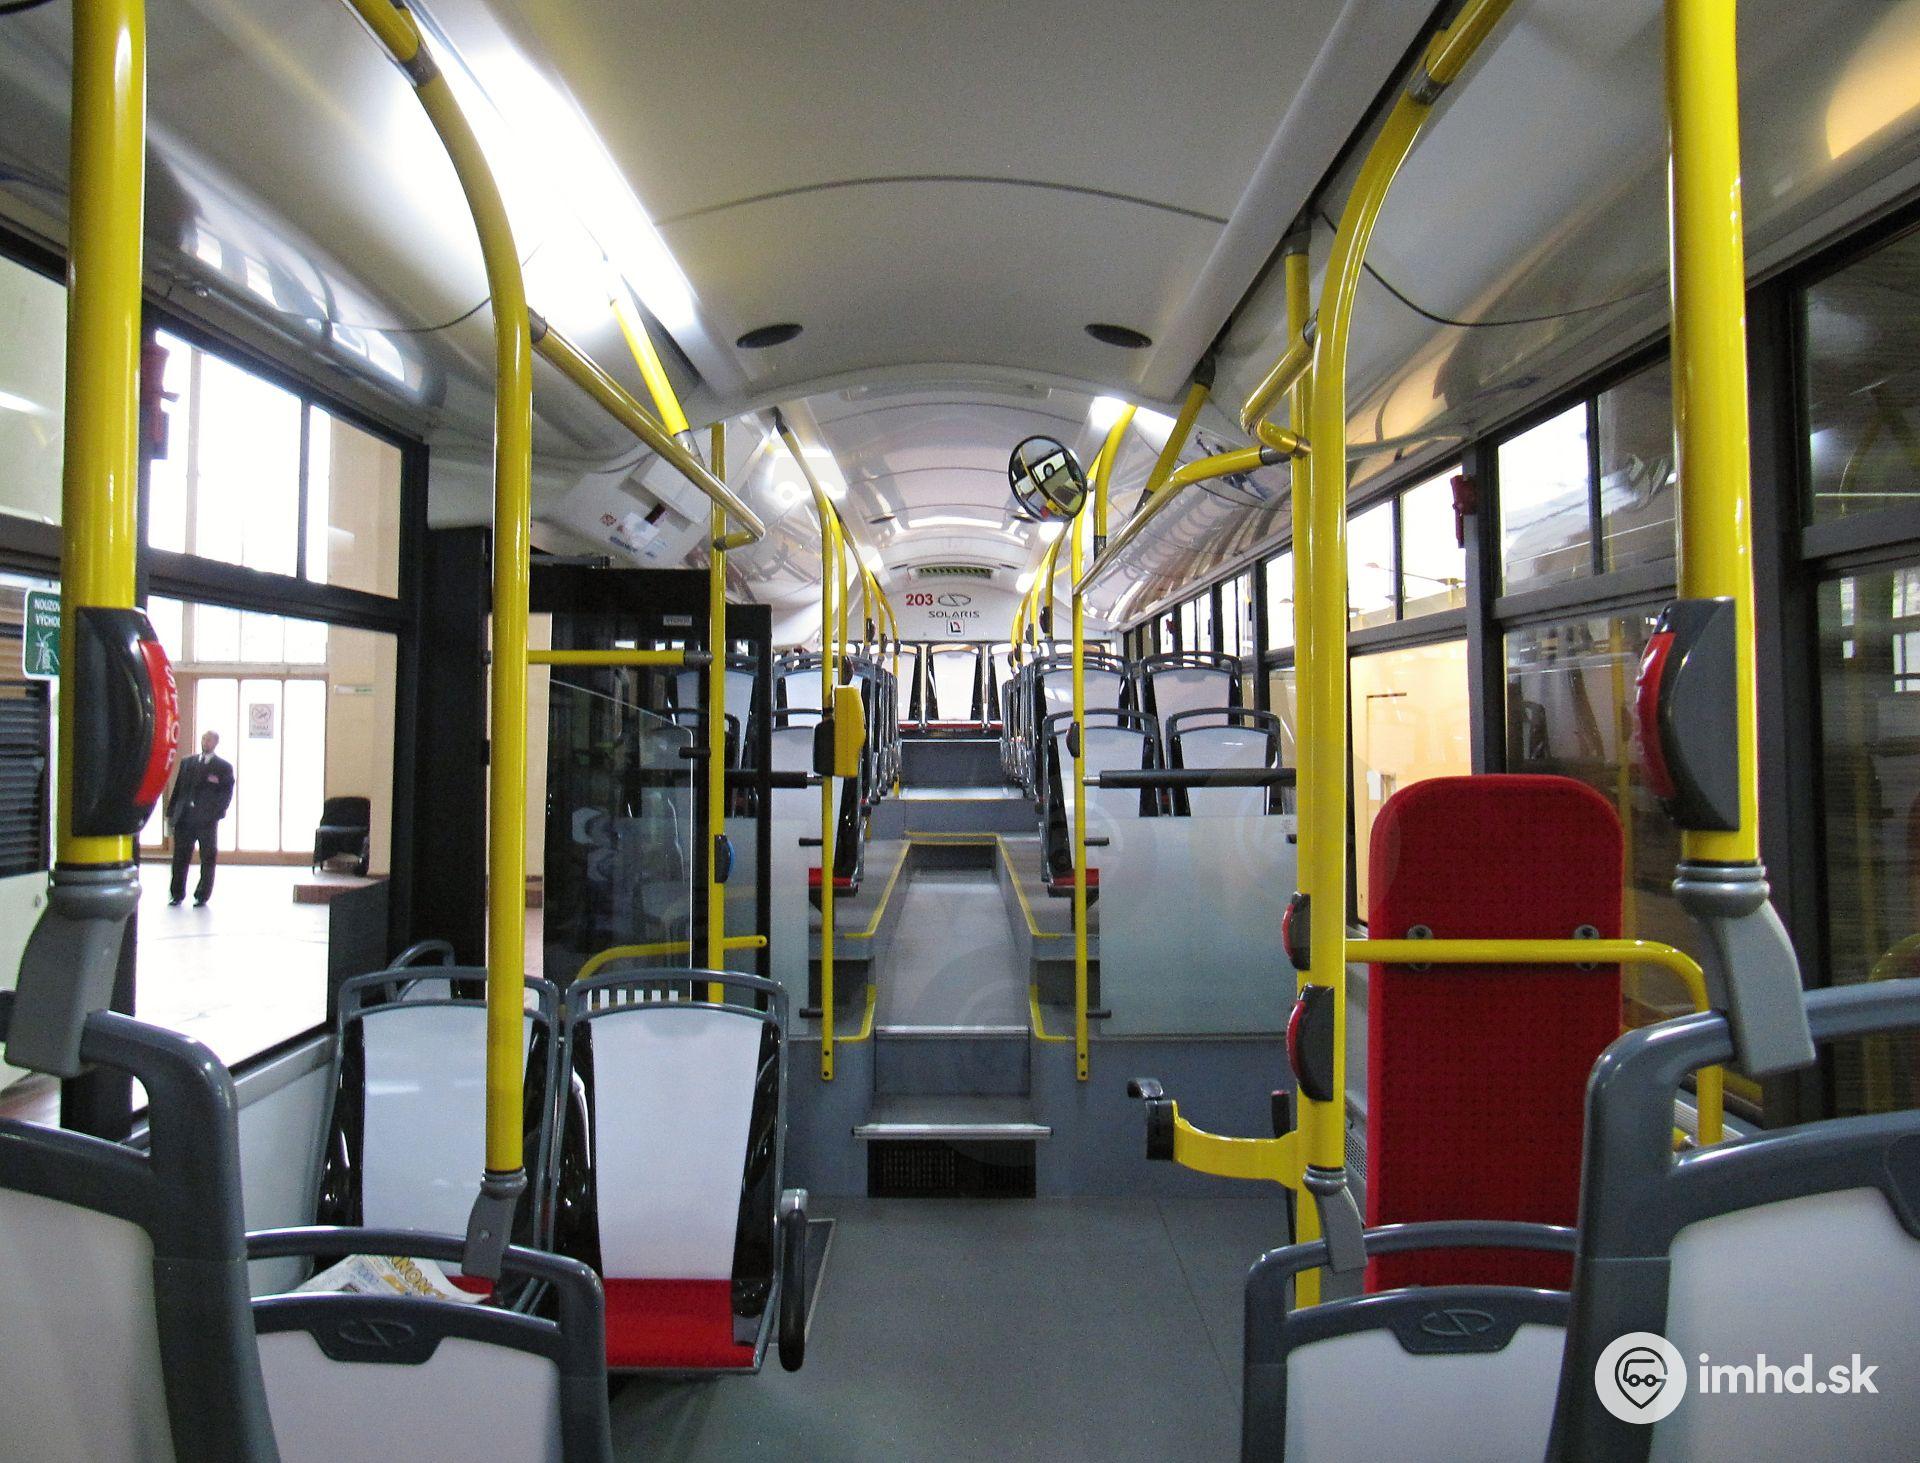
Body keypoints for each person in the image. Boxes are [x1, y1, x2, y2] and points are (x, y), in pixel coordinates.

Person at [165, 729, 235, 907]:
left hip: (206, 821)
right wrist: (171, 813)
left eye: (209, 740)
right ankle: (176, 894)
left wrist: (216, 813)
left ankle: (202, 895)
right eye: (204, 739)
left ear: (216, 743)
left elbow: (226, 793)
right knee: (180, 858)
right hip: (185, 819)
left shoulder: (223, 767)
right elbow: (178, 789)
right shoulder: (187, 762)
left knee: (207, 858)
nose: (206, 742)